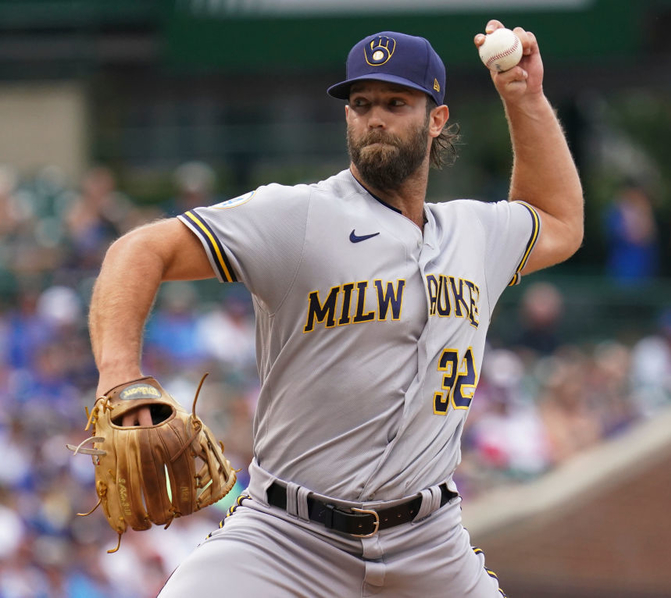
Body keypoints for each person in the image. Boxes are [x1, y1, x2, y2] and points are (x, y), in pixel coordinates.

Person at [87, 21, 583, 597]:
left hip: (430, 546)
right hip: (286, 540)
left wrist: (525, 99)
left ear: (437, 120)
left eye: (396, 102)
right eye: (361, 102)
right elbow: (140, 248)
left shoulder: (476, 233)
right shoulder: (296, 217)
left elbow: (560, 222)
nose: (375, 117)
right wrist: (118, 374)